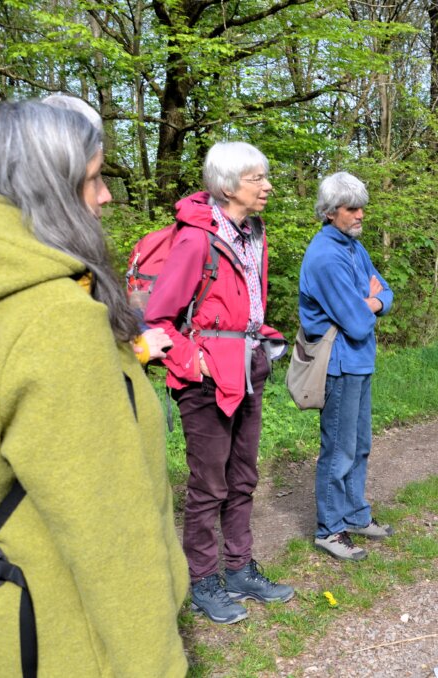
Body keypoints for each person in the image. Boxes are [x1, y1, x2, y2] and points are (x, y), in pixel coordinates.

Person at [0, 101, 188, 675]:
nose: (107, 196)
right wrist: (154, 664)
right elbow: (108, 531)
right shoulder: (54, 320)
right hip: (50, 638)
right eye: (93, 179)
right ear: (49, 191)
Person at [144, 141, 294, 625]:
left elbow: (243, 307)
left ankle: (239, 568)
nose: (268, 186)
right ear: (229, 186)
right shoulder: (196, 240)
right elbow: (157, 319)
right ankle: (203, 579)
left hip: (247, 368)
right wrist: (197, 363)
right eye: (258, 178)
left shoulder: (253, 232)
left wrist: (261, 341)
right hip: (206, 379)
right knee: (208, 485)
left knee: (243, 478)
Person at [299, 171, 394, 561]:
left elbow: (386, 292)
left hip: (359, 361)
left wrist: (372, 301)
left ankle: (355, 515)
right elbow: (357, 322)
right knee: (338, 450)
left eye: (362, 207)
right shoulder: (325, 255)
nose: (360, 215)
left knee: (360, 446)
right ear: (329, 211)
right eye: (351, 208)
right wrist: (368, 304)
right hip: (337, 365)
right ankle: (330, 530)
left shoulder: (355, 248)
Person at [40, 93, 173, 365]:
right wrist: (137, 351)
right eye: (94, 178)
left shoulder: (71, 259)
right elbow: (70, 367)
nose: (106, 195)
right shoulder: (41, 270)